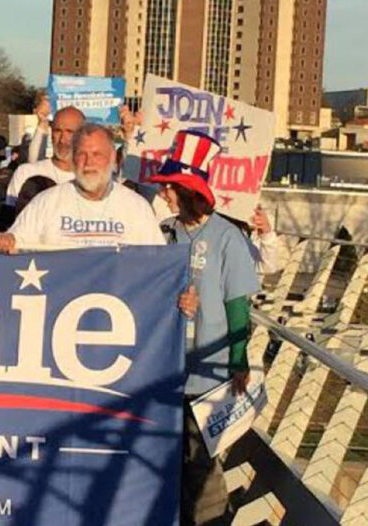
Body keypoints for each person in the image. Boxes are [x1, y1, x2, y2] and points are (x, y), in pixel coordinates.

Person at [149, 130, 259, 526]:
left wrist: (237, 360)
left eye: (169, 188)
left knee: (203, 465)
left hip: (207, 375)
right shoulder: (164, 232)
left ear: (187, 189)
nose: (164, 195)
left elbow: (238, 305)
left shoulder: (228, 237)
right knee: (166, 462)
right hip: (166, 369)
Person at [0, 124, 165, 251]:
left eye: (97, 154)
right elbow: (15, 245)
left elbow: (160, 265)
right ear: (73, 158)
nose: (89, 163)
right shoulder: (46, 202)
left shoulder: (137, 207)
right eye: (82, 154)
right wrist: (6, 240)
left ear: (112, 157)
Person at [4, 106, 85, 210]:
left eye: (70, 132)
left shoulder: (94, 179)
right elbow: (8, 218)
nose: (62, 140)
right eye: (58, 131)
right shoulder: (26, 173)